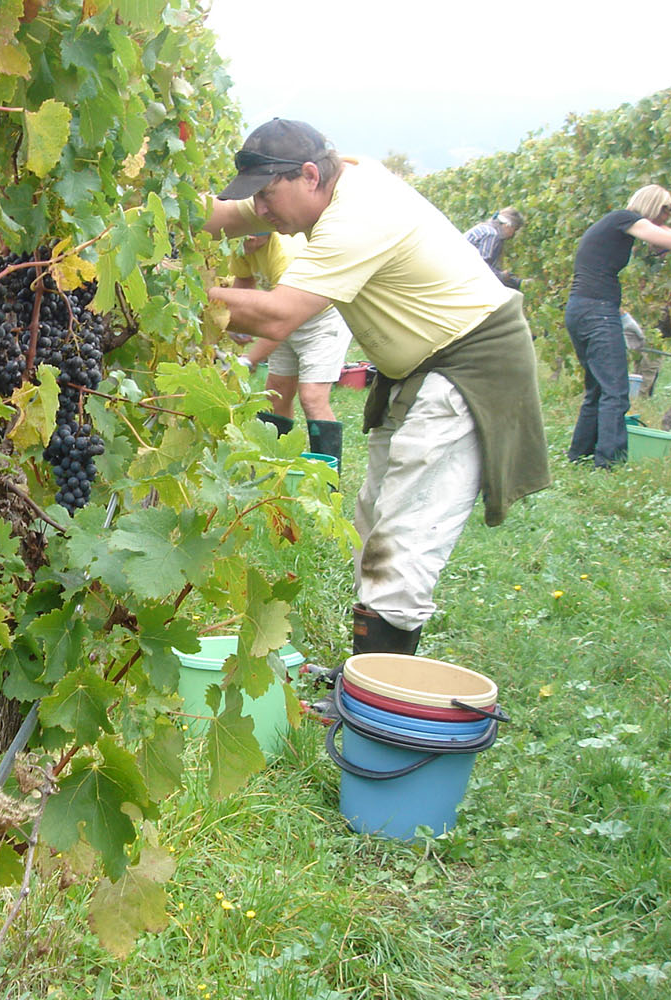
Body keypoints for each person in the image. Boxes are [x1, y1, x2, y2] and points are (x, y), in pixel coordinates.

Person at [203, 118, 551, 656]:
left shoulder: (359, 213)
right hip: (417, 369)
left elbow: (277, 316)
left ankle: (376, 692)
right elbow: (225, 215)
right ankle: (367, 676)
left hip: (468, 367)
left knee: (403, 541)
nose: (262, 210)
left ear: (309, 175)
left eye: (268, 195)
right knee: (374, 522)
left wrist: (181, 293)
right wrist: (144, 214)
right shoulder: (320, 185)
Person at [564, 186, 671, 466]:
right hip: (597, 311)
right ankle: (610, 462)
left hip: (582, 309)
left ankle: (580, 455)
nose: (667, 217)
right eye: (666, 210)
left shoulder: (616, 226)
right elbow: (663, 237)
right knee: (615, 389)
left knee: (598, 389)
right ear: (654, 206)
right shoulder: (624, 218)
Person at [229, 231, 354, 467]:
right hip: (285, 313)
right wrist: (235, 322)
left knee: (312, 396)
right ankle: (274, 468)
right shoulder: (242, 245)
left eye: (255, 234)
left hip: (322, 319)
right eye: (244, 233)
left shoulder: (284, 254)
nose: (248, 239)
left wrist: (249, 359)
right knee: (276, 392)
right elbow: (243, 283)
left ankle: (327, 479)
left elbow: (282, 324)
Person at [463, 208, 526, 289]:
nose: (513, 235)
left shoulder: (485, 228)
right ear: (508, 226)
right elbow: (481, 268)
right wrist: (502, 276)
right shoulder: (491, 235)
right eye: (514, 230)